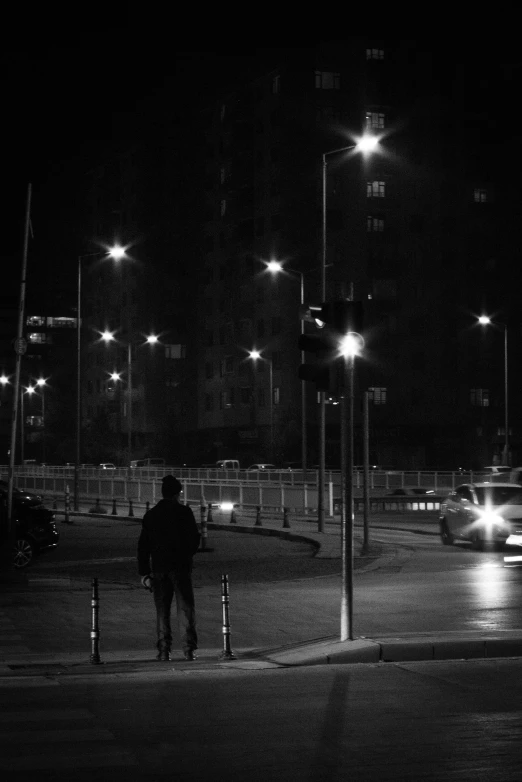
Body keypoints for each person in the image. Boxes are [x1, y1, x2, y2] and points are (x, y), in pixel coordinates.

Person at [138, 475, 201, 661]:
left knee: (162, 611)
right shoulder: (184, 512)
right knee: (186, 609)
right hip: (180, 567)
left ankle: (164, 650)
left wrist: (144, 572)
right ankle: (189, 649)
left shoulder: (151, 515)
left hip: (159, 568)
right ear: (177, 494)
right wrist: (187, 555)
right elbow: (194, 540)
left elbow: (143, 547)